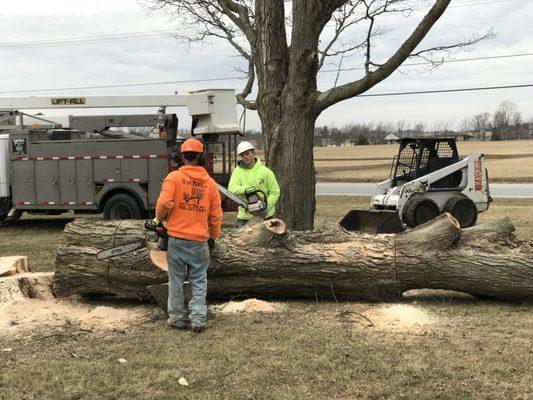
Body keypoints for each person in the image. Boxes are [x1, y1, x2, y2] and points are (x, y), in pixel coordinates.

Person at [154, 138, 222, 332]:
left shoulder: (174, 178)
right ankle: (198, 319)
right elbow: (216, 216)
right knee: (199, 280)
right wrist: (213, 236)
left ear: (181, 156)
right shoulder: (210, 184)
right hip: (199, 241)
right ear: (201, 157)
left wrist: (159, 220)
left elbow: (163, 203)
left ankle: (176, 318)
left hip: (176, 240)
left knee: (175, 280)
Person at [228, 141, 280, 227]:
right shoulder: (237, 171)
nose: (245, 157)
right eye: (242, 155)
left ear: (253, 153)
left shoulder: (266, 172)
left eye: (247, 154)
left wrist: (266, 206)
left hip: (265, 215)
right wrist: (246, 189)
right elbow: (232, 188)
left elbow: (275, 191)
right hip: (245, 215)